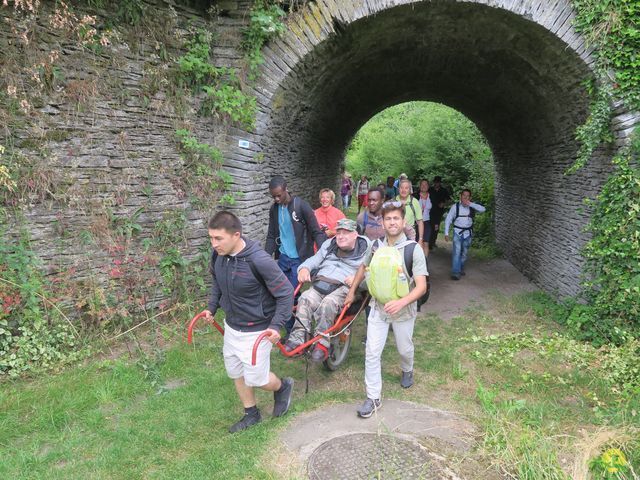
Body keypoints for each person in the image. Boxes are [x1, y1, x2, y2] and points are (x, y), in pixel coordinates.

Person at [203, 211, 295, 433]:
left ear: (236, 235)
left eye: (218, 238)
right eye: (211, 238)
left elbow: (286, 293)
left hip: (258, 330)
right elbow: (217, 282)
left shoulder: (258, 260)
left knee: (257, 379)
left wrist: (275, 327)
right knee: (236, 372)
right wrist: (212, 308)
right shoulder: (218, 256)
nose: (214, 244)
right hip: (232, 326)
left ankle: (282, 386)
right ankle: (251, 413)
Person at [345, 202, 428, 418]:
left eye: (396, 219)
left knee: (404, 348)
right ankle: (373, 397)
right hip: (378, 309)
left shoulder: (412, 249)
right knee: (372, 352)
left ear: (403, 222)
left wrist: (401, 302)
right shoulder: (375, 247)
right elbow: (363, 267)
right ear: (382, 222)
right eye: (388, 219)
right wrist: (352, 291)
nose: (392, 222)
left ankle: (407, 368)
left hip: (403, 310)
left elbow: (421, 286)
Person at [284, 219, 371, 362]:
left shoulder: (367, 248)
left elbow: (373, 273)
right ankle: (299, 337)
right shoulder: (329, 244)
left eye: (346, 233)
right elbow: (315, 259)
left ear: (355, 235)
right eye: (338, 233)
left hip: (344, 287)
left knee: (328, 303)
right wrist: (304, 268)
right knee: (304, 298)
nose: (341, 236)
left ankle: (322, 344)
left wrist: (358, 279)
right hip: (322, 282)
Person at [265, 176, 327, 290]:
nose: (277, 199)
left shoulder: (301, 206)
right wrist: (265, 257)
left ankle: (294, 305)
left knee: (291, 292)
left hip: (299, 258)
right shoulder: (274, 209)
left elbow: (316, 232)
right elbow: (271, 235)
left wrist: (323, 254)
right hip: (282, 256)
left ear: (286, 189)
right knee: (279, 290)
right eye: (274, 196)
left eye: (279, 195)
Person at [444, 189, 486, 280]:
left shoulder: (472, 206)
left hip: (468, 233)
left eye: (468, 196)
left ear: (470, 198)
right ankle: (455, 272)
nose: (465, 198)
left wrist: (470, 204)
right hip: (457, 232)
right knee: (457, 252)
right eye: (464, 196)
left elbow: (483, 209)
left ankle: (460, 267)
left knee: (464, 253)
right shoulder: (455, 207)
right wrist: (446, 233)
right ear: (460, 196)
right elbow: (448, 219)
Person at [395, 179, 424, 251]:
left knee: (408, 257)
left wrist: (420, 239)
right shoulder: (393, 201)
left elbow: (420, 222)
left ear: (410, 190)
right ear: (398, 189)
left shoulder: (415, 202)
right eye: (401, 187)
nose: (403, 190)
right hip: (394, 233)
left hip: (410, 235)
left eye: (406, 188)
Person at [428, 176, 451, 250]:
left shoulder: (444, 190)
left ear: (440, 183)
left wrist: (444, 204)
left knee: (436, 227)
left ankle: (433, 241)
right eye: (435, 182)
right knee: (429, 226)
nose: (436, 183)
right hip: (429, 211)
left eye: (438, 182)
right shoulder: (430, 189)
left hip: (438, 212)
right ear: (434, 182)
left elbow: (449, 200)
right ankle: (428, 242)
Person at [416, 179, 432, 257]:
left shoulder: (432, 196)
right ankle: (417, 262)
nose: (424, 186)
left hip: (427, 222)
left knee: (426, 243)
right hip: (417, 223)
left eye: (425, 184)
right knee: (418, 243)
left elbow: (435, 210)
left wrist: (436, 223)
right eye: (422, 184)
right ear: (419, 186)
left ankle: (425, 262)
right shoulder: (415, 196)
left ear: (428, 186)